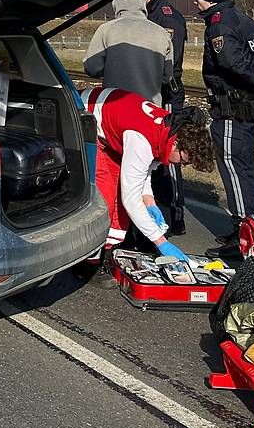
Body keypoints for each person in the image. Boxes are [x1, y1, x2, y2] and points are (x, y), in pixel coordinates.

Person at [79, 86, 215, 282]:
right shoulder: (143, 138)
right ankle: (87, 266)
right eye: (184, 161)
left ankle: (106, 256)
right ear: (177, 144)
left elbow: (145, 170)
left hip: (113, 128)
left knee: (120, 205)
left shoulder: (171, 131)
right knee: (106, 200)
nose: (182, 166)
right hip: (87, 118)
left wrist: (150, 202)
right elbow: (131, 199)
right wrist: (161, 242)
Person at [193, 0, 254, 258]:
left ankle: (245, 235)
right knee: (246, 166)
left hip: (233, 108)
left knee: (233, 167)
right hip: (250, 107)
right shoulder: (240, 18)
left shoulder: (219, 23)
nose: (195, 2)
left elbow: (230, 63)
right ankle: (249, 225)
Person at [142, 0, 190, 236]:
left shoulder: (165, 18)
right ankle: (158, 209)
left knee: (169, 154)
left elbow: (170, 61)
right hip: (155, 92)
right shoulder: (154, 14)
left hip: (167, 92)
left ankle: (174, 215)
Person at [83, 0, 174, 104]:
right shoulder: (162, 33)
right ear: (142, 2)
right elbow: (167, 77)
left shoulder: (106, 30)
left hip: (114, 106)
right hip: (149, 109)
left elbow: (92, 68)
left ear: (116, 2)